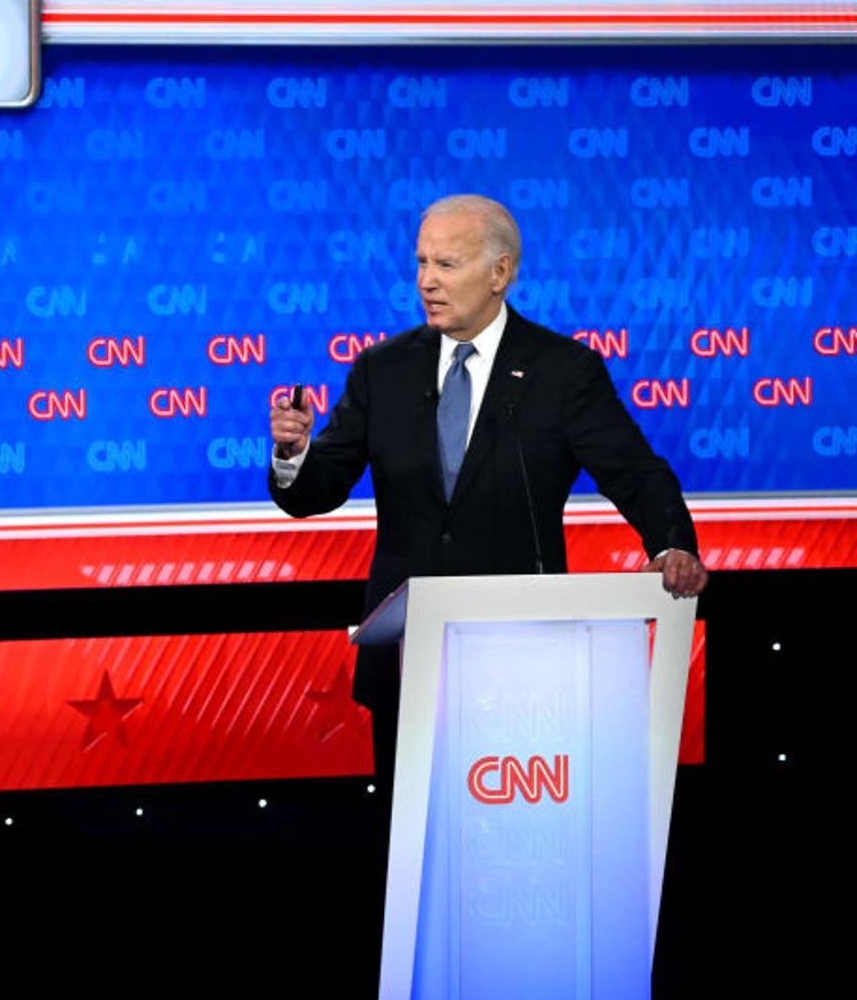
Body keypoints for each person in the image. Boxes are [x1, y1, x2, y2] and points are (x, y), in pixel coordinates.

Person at [267, 193, 707, 785]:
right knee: (409, 853)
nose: (426, 281)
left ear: (500, 273)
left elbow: (634, 472)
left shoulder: (562, 371)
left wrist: (670, 543)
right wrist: (295, 455)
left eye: (446, 265)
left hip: (520, 655)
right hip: (408, 657)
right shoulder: (383, 369)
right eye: (421, 263)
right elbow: (315, 492)